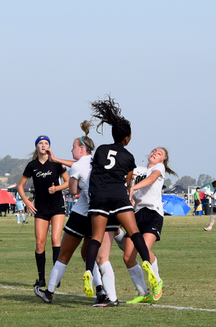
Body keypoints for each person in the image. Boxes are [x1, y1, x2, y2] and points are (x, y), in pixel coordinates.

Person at [80, 96, 161, 306]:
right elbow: (127, 181)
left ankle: (89, 271)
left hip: (99, 198)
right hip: (118, 196)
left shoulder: (100, 150)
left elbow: (95, 171)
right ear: (127, 138)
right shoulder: (129, 157)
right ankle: (146, 263)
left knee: (96, 238)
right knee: (134, 233)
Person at [34, 122, 107, 304]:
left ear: (82, 148)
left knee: (64, 254)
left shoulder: (76, 167)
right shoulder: (97, 161)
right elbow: (77, 164)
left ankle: (49, 292)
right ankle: (101, 291)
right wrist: (57, 160)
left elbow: (73, 191)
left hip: (81, 213)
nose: (71, 150)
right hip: (98, 214)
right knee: (87, 254)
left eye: (74, 147)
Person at [124, 146, 178, 304]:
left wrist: (133, 187)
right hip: (136, 214)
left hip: (153, 213)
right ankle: (143, 292)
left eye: (159, 153)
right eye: (154, 151)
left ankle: (158, 281)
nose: (155, 153)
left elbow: (151, 179)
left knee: (145, 249)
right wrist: (129, 183)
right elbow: (127, 183)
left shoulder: (158, 168)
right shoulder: (137, 169)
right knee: (128, 257)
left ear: (163, 160)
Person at [18, 136, 70, 293]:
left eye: (46, 143)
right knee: (40, 243)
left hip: (57, 207)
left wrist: (57, 189)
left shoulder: (56, 163)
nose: (43, 145)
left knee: (55, 239)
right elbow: (20, 186)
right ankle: (41, 278)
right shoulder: (32, 165)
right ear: (36, 147)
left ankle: (56, 277)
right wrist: (27, 202)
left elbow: (67, 182)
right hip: (40, 208)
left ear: (49, 147)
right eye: (40, 143)